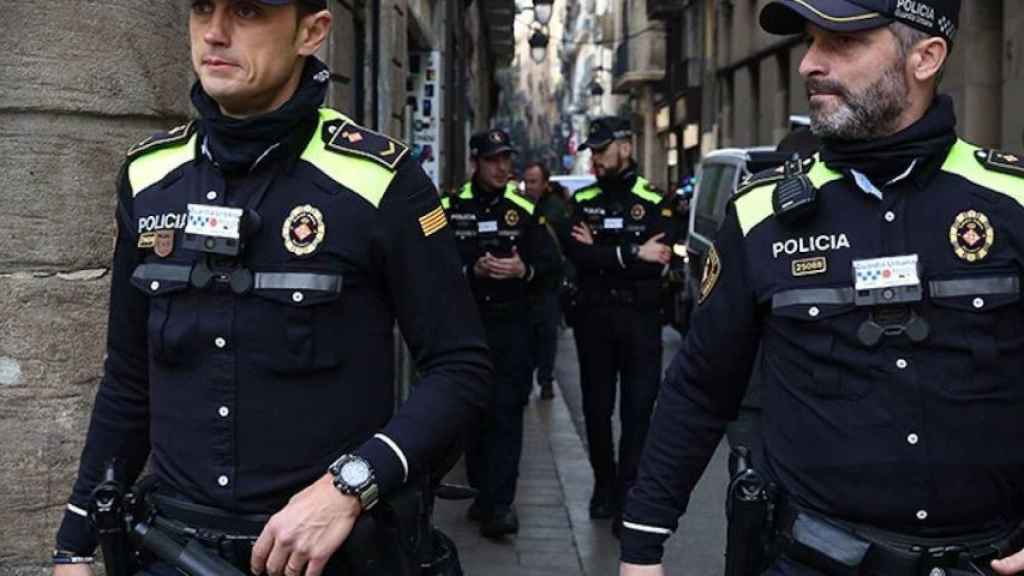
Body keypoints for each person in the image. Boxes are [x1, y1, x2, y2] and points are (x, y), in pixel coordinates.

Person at [51, 2, 492, 575]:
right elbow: (129, 379)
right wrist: (74, 542)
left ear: (311, 32)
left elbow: (461, 369)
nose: (214, 32)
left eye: (250, 11)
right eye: (203, 8)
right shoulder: (149, 177)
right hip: (171, 551)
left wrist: (351, 485)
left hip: (325, 553)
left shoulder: (380, 181)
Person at [621, 0, 1024, 574]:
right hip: (811, 560)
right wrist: (642, 547)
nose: (810, 63)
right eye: (811, 42)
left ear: (926, 57)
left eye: (843, 43)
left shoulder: (1011, 203)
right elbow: (699, 389)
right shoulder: (762, 216)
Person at [442, 130, 558, 538]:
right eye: (493, 159)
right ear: (476, 161)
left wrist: (522, 271)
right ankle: (482, 492)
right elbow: (428, 268)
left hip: (512, 327)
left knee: (507, 415)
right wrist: (468, 272)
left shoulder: (525, 210)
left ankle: (500, 505)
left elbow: (552, 268)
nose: (502, 167)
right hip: (466, 327)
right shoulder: (449, 208)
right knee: (472, 415)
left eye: (506, 159)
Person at [564, 117, 676, 531]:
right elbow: (578, 256)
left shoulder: (652, 200)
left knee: (637, 411)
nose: (595, 158)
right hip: (593, 319)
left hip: (640, 320)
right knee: (596, 409)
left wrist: (606, 256)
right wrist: (632, 254)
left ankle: (628, 492)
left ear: (625, 148)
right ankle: (603, 485)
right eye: (592, 151)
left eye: (601, 149)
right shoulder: (584, 200)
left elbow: (659, 262)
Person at [523, 161, 570, 400]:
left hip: (549, 283)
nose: (529, 186)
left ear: (545, 183)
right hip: (524, 283)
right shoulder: (520, 205)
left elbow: (567, 246)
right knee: (527, 334)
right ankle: (528, 377)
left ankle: (546, 379)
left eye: (533, 182)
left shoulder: (555, 208)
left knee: (547, 334)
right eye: (527, 181)